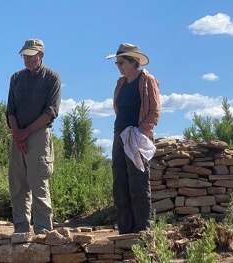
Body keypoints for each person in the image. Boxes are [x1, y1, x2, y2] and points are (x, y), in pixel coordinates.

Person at [6, 39, 61, 234]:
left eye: (32, 55)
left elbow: (50, 111)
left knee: (38, 184)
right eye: (25, 55)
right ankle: (21, 229)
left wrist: (25, 133)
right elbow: (10, 110)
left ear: (41, 55)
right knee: (18, 185)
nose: (28, 59)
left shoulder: (52, 78)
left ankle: (43, 231)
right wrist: (17, 134)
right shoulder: (16, 78)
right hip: (17, 134)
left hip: (38, 134)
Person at [106, 43, 160, 234]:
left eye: (122, 62)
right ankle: (125, 229)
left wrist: (141, 132)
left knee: (138, 182)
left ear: (133, 62)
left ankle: (142, 229)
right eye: (117, 63)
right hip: (119, 134)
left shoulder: (147, 80)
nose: (119, 66)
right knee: (120, 182)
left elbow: (154, 111)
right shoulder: (121, 83)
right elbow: (117, 109)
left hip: (137, 136)